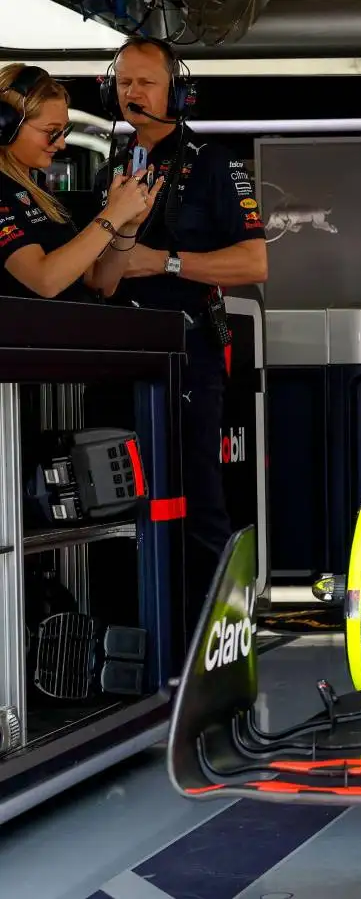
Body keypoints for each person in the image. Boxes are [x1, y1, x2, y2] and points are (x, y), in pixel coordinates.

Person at [85, 36, 269, 621]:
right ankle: (137, 634)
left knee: (199, 496)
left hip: (190, 347)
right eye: (123, 83)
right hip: (121, 350)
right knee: (119, 496)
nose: (132, 93)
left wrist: (163, 262)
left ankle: (219, 639)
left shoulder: (215, 163)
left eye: (145, 82)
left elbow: (254, 263)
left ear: (178, 93)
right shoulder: (112, 167)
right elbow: (100, 281)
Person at [0, 64, 158, 301]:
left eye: (64, 131)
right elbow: (45, 280)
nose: (62, 144)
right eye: (51, 131)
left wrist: (127, 226)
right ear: (5, 127)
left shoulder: (37, 187)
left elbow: (100, 282)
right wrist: (113, 214)